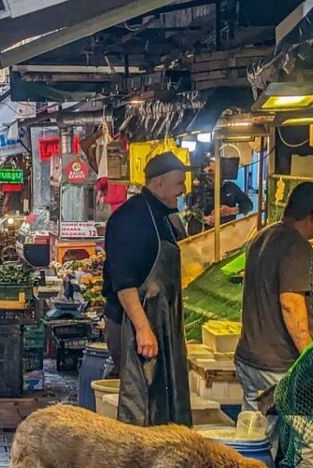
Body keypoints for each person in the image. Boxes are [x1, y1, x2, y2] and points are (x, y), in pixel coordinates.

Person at [234, 181, 313, 468]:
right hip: (279, 364)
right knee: (312, 432)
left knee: (256, 436)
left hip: (250, 356)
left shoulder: (263, 236)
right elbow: (291, 305)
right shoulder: (295, 246)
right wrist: (311, 359)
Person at [101, 152, 192, 426]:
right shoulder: (131, 218)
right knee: (140, 404)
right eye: (179, 183)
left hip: (161, 321)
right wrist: (143, 329)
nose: (183, 190)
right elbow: (124, 283)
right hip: (133, 324)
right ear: (160, 183)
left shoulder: (167, 216)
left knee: (161, 404)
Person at [185, 161, 254, 237]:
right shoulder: (197, 191)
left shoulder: (230, 187)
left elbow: (249, 205)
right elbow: (190, 212)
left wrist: (230, 211)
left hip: (229, 234)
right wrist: (205, 219)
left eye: (216, 171)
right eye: (210, 171)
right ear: (203, 174)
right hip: (204, 237)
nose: (214, 175)